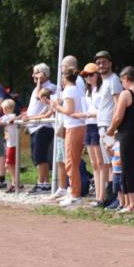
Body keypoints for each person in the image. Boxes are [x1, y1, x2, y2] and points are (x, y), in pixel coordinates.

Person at [107, 66, 134, 213]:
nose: (122, 84)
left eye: (122, 81)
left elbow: (118, 117)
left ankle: (132, 204)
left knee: (129, 168)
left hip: (129, 134)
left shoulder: (126, 94)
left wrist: (111, 129)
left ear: (126, 78)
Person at [52, 69, 86, 206]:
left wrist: (57, 106)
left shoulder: (68, 90)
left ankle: (75, 194)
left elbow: (69, 111)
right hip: (78, 126)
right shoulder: (76, 89)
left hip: (74, 127)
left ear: (64, 78)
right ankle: (73, 191)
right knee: (73, 162)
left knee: (71, 162)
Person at [93, 51, 123, 204]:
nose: (101, 65)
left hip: (109, 126)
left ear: (110, 63)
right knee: (109, 161)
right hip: (102, 126)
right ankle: (111, 196)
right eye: (98, 63)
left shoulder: (113, 80)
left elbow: (118, 103)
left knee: (114, 161)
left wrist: (114, 125)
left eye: (104, 62)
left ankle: (117, 197)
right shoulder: (103, 82)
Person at [22, 64, 56, 193]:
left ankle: (42, 183)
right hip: (34, 127)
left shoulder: (51, 87)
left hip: (43, 126)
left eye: (36, 73)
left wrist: (39, 81)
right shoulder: (36, 88)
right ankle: (44, 182)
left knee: (40, 155)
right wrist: (26, 115)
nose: (33, 76)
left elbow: (39, 96)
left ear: (43, 74)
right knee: (36, 156)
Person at [80, 63, 107, 206]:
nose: (88, 78)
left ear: (97, 75)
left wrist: (88, 114)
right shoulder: (88, 91)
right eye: (85, 75)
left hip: (98, 125)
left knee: (100, 163)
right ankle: (98, 196)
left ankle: (102, 196)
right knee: (94, 163)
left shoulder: (102, 89)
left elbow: (103, 110)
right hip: (89, 125)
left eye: (90, 74)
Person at [0, 98, 19, 192]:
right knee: (11, 164)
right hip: (10, 143)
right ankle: (15, 182)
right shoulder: (7, 116)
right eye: (3, 108)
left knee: (8, 165)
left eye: (6, 108)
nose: (4, 110)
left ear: (11, 108)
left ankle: (15, 182)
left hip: (12, 144)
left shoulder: (10, 116)